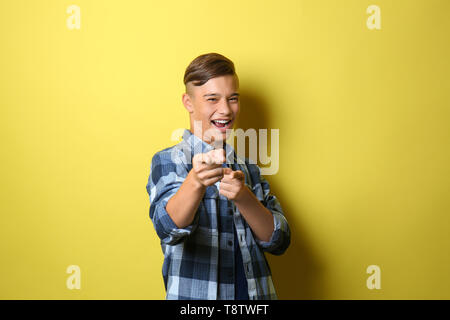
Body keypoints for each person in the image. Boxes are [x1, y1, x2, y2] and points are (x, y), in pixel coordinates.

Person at [146, 53, 290, 300]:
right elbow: (167, 228)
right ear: (188, 102)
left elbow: (279, 240)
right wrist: (195, 181)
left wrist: (243, 197)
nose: (225, 110)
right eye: (212, 99)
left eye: (232, 99)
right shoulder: (170, 160)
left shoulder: (249, 169)